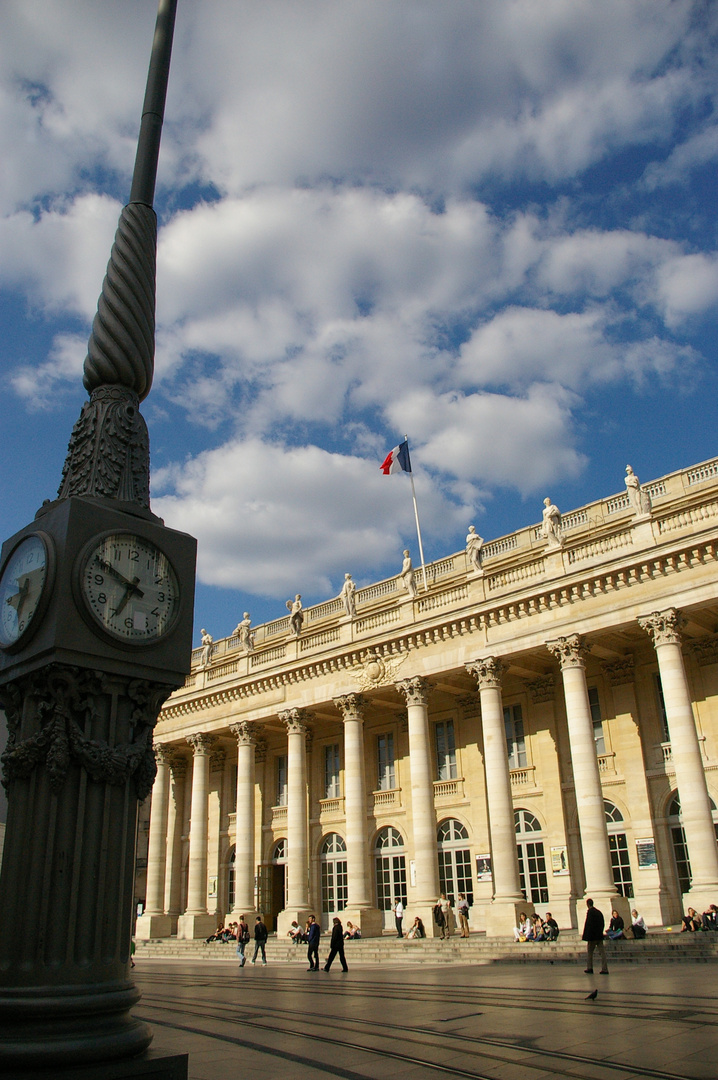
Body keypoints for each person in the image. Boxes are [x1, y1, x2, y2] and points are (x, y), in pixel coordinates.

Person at [583, 898, 608, 974]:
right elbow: (602, 923)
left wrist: (587, 936)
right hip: (599, 936)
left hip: (592, 937)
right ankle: (605, 968)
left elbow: (588, 925)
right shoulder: (598, 912)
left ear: (587, 904)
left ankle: (590, 967)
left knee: (590, 953)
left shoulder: (590, 912)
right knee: (602, 953)